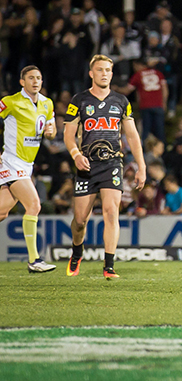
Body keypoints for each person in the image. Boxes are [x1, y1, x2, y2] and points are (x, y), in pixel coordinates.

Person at [64, 55, 147, 278]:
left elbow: (132, 136)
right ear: (91, 73)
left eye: (108, 70)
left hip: (112, 163)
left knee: (111, 212)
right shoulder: (79, 100)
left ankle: (108, 266)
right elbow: (68, 135)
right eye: (100, 70)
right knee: (80, 220)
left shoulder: (121, 101)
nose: (104, 74)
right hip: (86, 165)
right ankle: (77, 251)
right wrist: (75, 155)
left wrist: (142, 166)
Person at [0, 66, 57, 272]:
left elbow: (50, 131)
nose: (36, 81)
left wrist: (51, 131)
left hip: (27, 165)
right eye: (31, 78)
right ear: (22, 82)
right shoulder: (11, 102)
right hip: (11, 161)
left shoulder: (46, 103)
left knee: (3, 211)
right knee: (33, 204)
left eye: (39, 78)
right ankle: (34, 260)